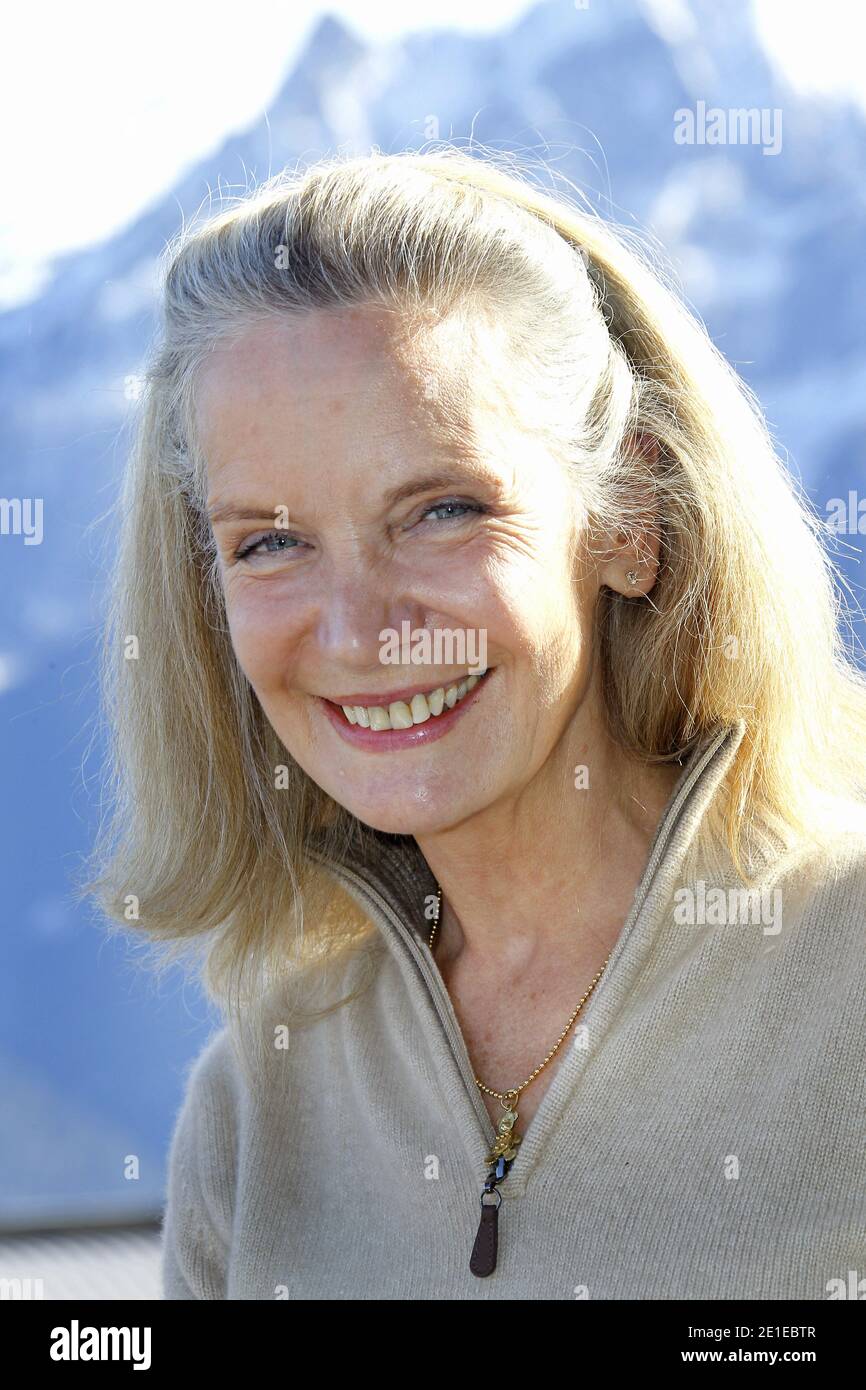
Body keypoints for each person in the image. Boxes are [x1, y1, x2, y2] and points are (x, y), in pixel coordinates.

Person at [80, 147, 866, 1299]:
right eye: (270, 541)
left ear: (628, 518)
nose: (359, 632)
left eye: (441, 510)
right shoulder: (255, 1110)